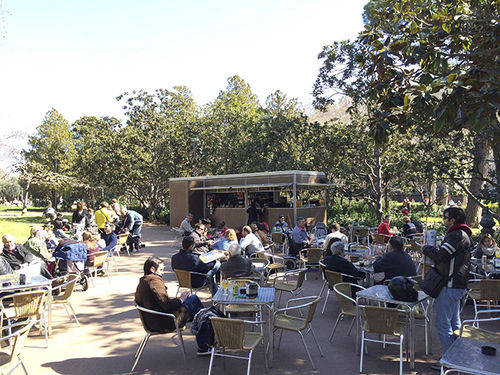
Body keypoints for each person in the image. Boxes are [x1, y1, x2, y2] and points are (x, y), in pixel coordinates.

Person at [422, 207, 471, 370]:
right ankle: (458, 356)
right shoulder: (462, 234)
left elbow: (441, 256)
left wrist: (426, 248)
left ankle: (450, 360)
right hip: (458, 285)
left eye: (445, 217)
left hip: (450, 285)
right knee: (454, 322)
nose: (443, 220)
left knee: (443, 323)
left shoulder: (456, 235)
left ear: (453, 220)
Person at [135, 256, 212, 356]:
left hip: (153, 319)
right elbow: (166, 304)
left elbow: (161, 302)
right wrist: (180, 299)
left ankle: (204, 344)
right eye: (161, 269)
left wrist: (179, 300)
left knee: (198, 308)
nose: (163, 273)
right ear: (152, 269)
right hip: (165, 321)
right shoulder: (154, 281)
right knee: (199, 309)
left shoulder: (143, 281)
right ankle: (204, 344)